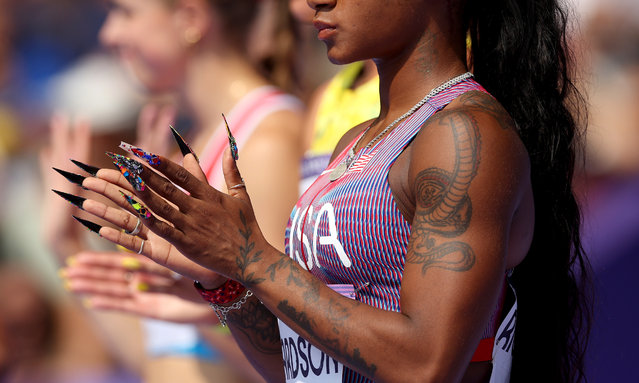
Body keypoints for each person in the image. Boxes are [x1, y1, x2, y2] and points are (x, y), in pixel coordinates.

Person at [61, 0, 591, 382]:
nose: (313, 1)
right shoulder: (351, 142)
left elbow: (426, 364)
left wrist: (249, 258)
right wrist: (224, 282)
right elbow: (295, 366)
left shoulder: (463, 135)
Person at [44, 0, 303, 382]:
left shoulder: (267, 141)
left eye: (124, 13)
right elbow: (159, 361)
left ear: (191, 18)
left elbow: (290, 362)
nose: (108, 34)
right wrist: (65, 244)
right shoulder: (198, 144)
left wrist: (212, 297)